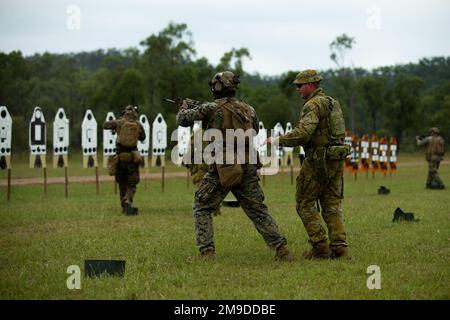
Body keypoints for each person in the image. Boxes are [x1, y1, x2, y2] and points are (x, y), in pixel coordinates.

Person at [176, 70, 293, 261]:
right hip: (248, 163)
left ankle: (207, 253)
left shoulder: (210, 108)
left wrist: (183, 108)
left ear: (217, 87)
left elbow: (182, 120)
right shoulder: (249, 109)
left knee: (202, 205)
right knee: (257, 210)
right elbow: (254, 130)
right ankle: (282, 250)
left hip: (224, 166)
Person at [267, 70, 349, 259]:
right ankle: (339, 248)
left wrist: (278, 140)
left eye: (299, 85)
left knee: (304, 203)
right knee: (331, 203)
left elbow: (303, 133)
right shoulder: (331, 102)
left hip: (318, 159)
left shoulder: (312, 105)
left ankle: (320, 248)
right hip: (335, 158)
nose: (297, 89)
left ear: (311, 85)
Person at [103, 105, 146, 215]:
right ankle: (128, 201)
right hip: (132, 158)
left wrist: (115, 126)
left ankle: (124, 205)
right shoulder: (138, 124)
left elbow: (105, 125)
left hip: (120, 158)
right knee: (132, 183)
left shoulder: (120, 122)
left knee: (122, 183)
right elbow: (143, 138)